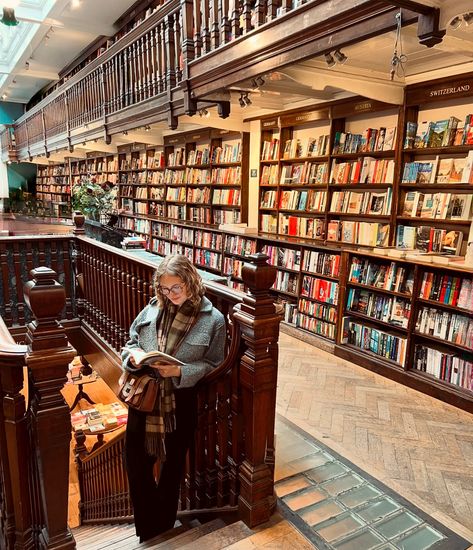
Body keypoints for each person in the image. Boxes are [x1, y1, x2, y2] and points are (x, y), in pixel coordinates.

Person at [121, 254, 226, 542]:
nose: (170, 295)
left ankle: (164, 526)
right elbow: (129, 344)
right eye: (165, 289)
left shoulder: (213, 320)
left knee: (172, 466)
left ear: (191, 282)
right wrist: (132, 360)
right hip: (145, 398)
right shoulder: (152, 309)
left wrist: (180, 371)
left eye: (175, 288)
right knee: (135, 462)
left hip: (180, 402)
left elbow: (215, 363)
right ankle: (147, 530)